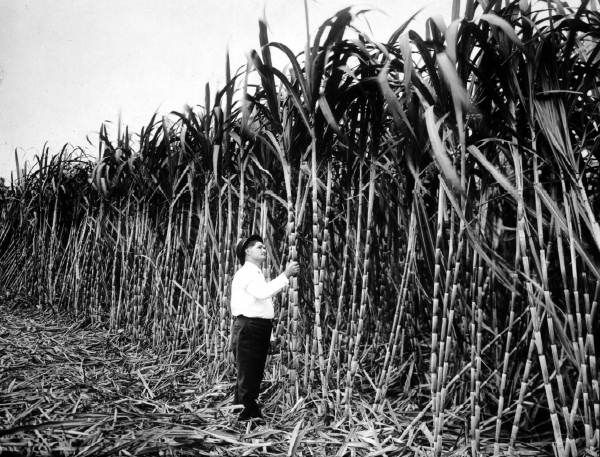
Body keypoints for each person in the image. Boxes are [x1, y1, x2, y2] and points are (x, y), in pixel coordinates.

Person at [230, 234, 299, 421]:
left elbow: (262, 307)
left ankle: (241, 410)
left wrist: (270, 337)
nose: (263, 249)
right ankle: (248, 415)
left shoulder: (256, 273)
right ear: (247, 251)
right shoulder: (246, 273)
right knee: (249, 371)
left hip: (256, 327)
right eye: (259, 247)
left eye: (263, 247)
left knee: (253, 370)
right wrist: (285, 275)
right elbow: (263, 294)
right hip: (249, 327)